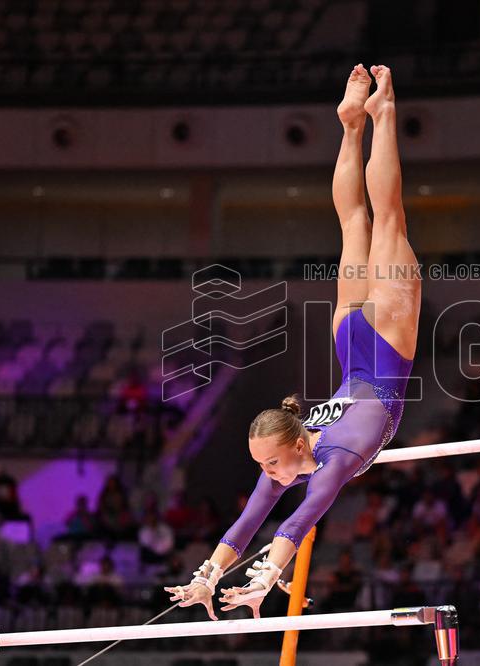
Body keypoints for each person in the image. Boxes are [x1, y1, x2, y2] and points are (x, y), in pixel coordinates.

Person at [167, 64, 421, 619]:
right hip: (359, 351)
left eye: (274, 465)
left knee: (380, 222)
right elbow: (247, 521)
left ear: (297, 445)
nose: (271, 475)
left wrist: (259, 577)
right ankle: (353, 127)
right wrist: (208, 576)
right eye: (267, 468)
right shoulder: (300, 449)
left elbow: (298, 519)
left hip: (374, 348)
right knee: (361, 223)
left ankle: (378, 116)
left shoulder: (333, 453)